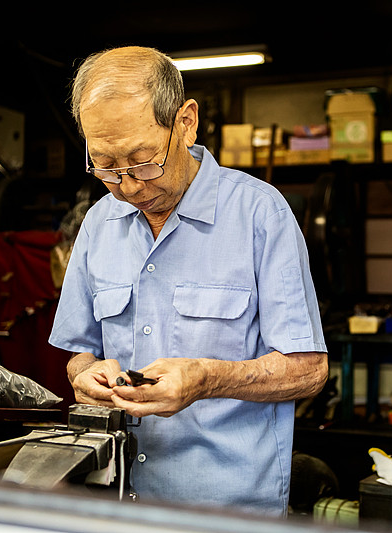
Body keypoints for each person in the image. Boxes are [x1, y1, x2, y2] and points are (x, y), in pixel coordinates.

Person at [49, 46, 328, 517]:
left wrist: (207, 378)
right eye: (106, 166)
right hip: (119, 501)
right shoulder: (99, 223)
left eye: (143, 161)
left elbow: (309, 369)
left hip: (227, 512)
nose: (128, 186)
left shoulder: (260, 214)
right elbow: (80, 354)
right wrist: (85, 376)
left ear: (186, 122)